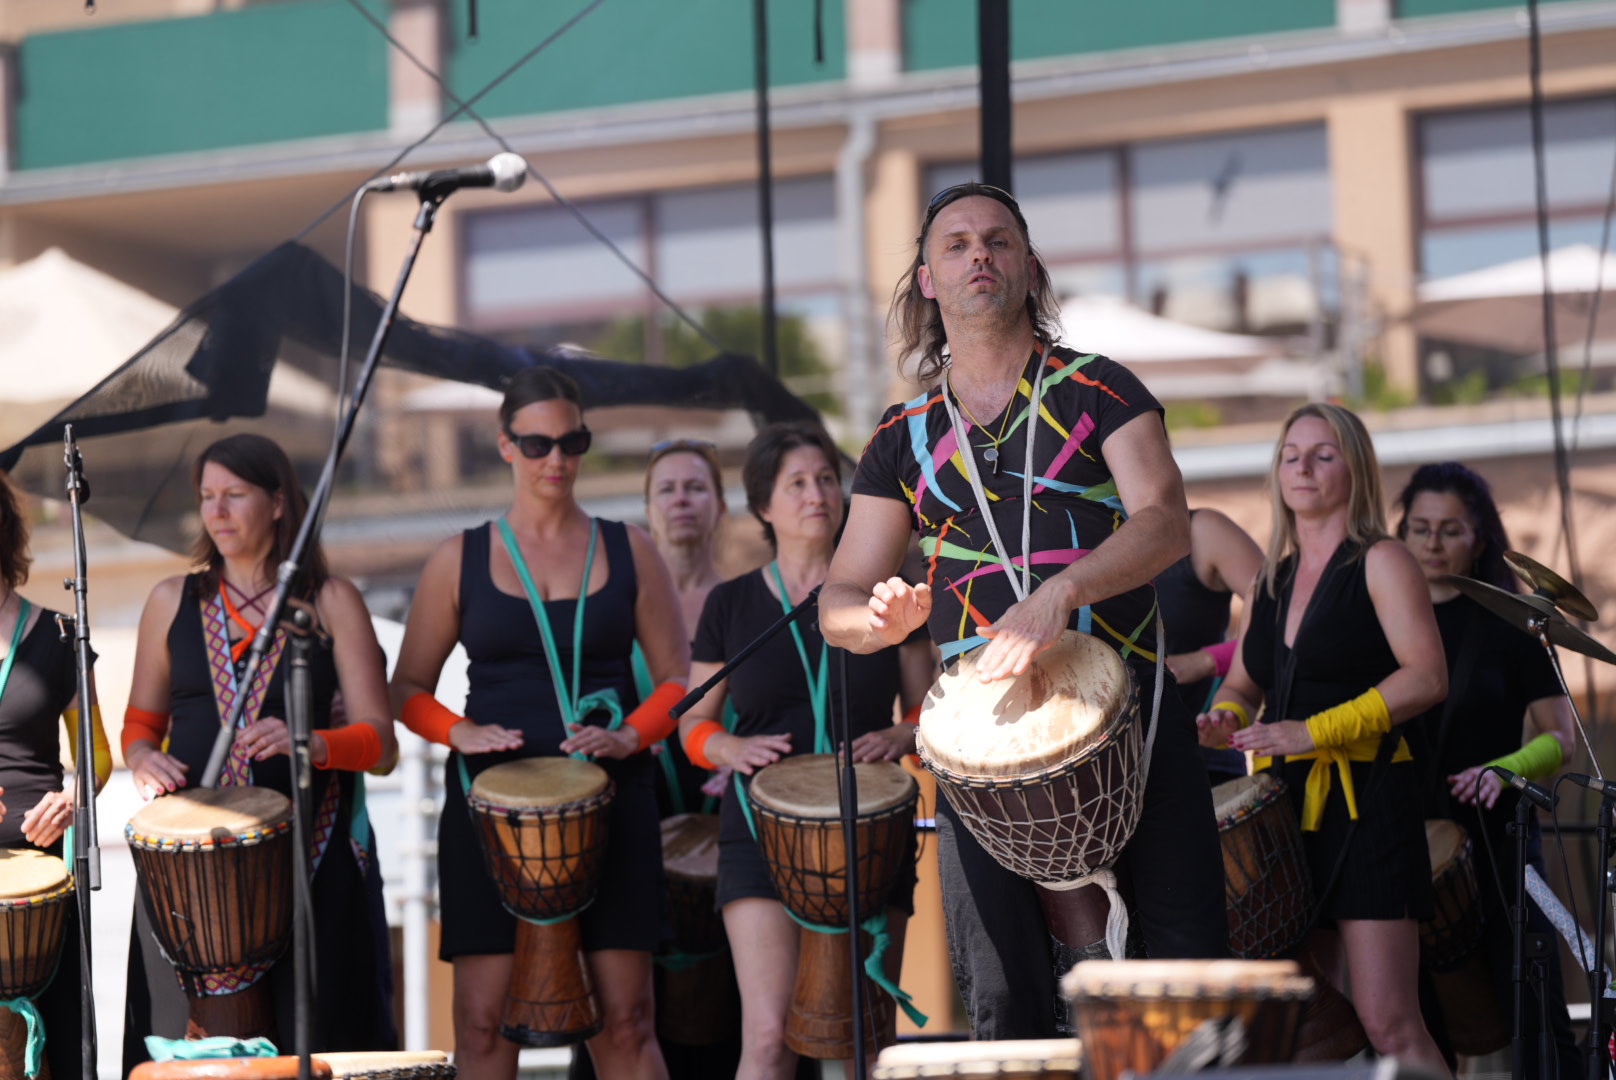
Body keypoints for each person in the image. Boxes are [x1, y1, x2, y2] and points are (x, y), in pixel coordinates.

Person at [820, 181, 1229, 1040]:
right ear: (927, 280)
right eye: (957, 244)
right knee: (1004, 1003)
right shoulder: (900, 435)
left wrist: (1063, 592)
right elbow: (839, 599)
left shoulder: (1099, 389)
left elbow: (1165, 520)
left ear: (1030, 267)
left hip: (1130, 715)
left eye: (998, 240)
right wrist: (877, 623)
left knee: (1182, 985)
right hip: (982, 750)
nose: (980, 254)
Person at [390, 367, 688, 1080]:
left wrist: (631, 735)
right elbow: (405, 688)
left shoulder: (630, 548)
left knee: (627, 1022)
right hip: (491, 809)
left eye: (572, 442)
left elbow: (678, 683)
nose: (556, 458)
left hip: (612, 796)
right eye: (537, 444)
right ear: (505, 446)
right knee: (484, 1027)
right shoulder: (458, 557)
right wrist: (457, 732)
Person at [121, 433, 399, 1068]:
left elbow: (382, 743)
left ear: (277, 503)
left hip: (311, 860)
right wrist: (141, 757)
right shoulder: (171, 599)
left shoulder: (331, 601)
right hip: (189, 874)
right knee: (186, 1063)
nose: (215, 511)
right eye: (206, 497)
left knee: (323, 1050)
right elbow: (140, 724)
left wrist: (313, 743)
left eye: (234, 495)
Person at [1195, 403, 1450, 1075]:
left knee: (1389, 1020)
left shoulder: (1383, 561)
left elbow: (1427, 677)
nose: (1302, 468)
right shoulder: (1272, 579)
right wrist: (1224, 715)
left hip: (1369, 802)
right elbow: (1244, 682)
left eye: (1322, 455)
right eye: (1291, 456)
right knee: (1324, 1021)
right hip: (1290, 808)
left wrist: (1312, 731)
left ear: (1354, 469)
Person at [680, 422, 933, 1079]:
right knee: (769, 1039)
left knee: (865, 1038)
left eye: (825, 479)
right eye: (795, 483)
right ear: (762, 505)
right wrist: (729, 746)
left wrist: (902, 735)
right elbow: (693, 725)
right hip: (757, 830)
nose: (817, 494)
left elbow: (928, 711)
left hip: (868, 826)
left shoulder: (888, 594)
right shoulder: (730, 603)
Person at [1395, 461, 1579, 1078]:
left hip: (1501, 841)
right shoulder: (1379, 620)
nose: (1433, 543)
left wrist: (1507, 768)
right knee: (1416, 1016)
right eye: (1419, 528)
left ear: (1479, 538)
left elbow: (1562, 739)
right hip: (1405, 841)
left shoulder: (1511, 626)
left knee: (1537, 1006)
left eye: (1450, 529)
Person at [571, 439, 737, 1079]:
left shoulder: (744, 602)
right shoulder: (614, 611)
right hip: (639, 807)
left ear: (721, 506)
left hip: (727, 809)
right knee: (627, 1012)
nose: (681, 500)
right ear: (647, 509)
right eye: (666, 489)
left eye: (696, 487)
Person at [0, 470, 109, 1080]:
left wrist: (72, 795)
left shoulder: (61, 633)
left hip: (41, 881)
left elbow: (97, 755)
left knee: (58, 1052)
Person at [1158, 507, 1264, 785]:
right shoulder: (1068, 535)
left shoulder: (1203, 531)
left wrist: (1204, 661)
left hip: (1204, 757)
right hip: (1103, 770)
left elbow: (1290, 627)